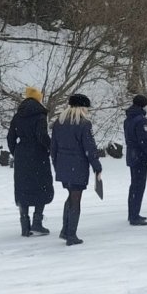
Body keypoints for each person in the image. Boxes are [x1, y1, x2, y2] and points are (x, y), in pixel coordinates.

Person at [50, 93, 102, 246]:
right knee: (75, 199)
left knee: (71, 196)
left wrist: (57, 165)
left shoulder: (59, 122)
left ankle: (65, 230)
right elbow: (90, 148)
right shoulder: (84, 124)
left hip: (63, 166)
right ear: (82, 108)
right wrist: (97, 166)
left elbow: (53, 148)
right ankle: (71, 234)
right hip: (78, 166)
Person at [6, 86, 54, 237]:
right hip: (38, 155)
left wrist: (16, 152)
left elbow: (10, 137)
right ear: (38, 98)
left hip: (22, 155)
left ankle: (25, 226)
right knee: (41, 187)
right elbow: (42, 136)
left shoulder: (18, 116)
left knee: (23, 189)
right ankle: (37, 222)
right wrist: (51, 148)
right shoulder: (40, 116)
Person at [124, 94, 147, 226]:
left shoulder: (128, 119)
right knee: (139, 186)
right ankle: (134, 216)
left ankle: (132, 213)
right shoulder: (141, 121)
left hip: (132, 154)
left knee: (134, 185)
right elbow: (145, 141)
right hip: (139, 156)